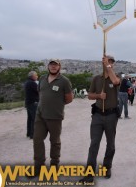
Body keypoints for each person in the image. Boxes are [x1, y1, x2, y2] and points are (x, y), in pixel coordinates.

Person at [81, 55, 120, 183]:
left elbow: (115, 82)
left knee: (111, 145)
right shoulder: (97, 79)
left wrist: (108, 68)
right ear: (102, 63)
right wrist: (99, 95)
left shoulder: (115, 77)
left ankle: (107, 167)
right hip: (97, 115)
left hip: (111, 116)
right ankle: (89, 173)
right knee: (94, 144)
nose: (110, 64)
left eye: (111, 62)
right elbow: (89, 95)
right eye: (107, 62)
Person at [33, 59, 73, 175]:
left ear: (59, 67)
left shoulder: (64, 81)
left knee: (54, 141)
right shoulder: (42, 79)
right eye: (51, 65)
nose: (53, 67)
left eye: (56, 65)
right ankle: (38, 166)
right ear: (48, 66)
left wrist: (57, 105)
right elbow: (40, 93)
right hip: (40, 115)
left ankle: (54, 164)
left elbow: (69, 98)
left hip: (55, 116)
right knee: (37, 140)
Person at [24, 71, 39, 139]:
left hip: (28, 102)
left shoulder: (27, 82)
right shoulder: (33, 83)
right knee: (34, 119)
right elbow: (39, 91)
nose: (37, 76)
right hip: (33, 103)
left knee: (30, 118)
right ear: (32, 76)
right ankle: (33, 134)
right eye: (36, 75)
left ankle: (29, 133)